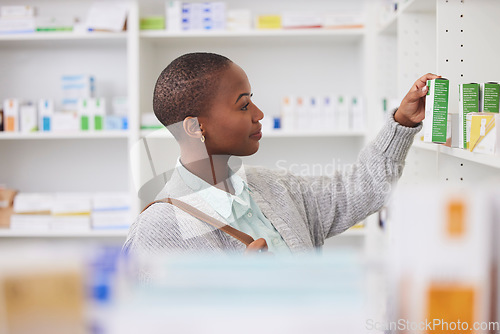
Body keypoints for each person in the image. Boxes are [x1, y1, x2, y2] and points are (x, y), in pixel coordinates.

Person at [123, 52, 439, 257]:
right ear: (194, 127)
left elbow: (359, 190)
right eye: (243, 105)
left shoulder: (272, 187)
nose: (259, 114)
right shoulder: (160, 227)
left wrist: (403, 122)